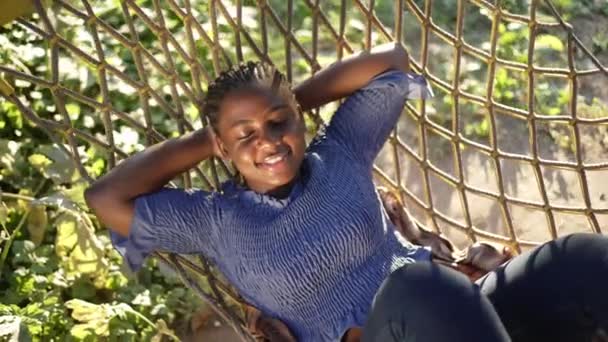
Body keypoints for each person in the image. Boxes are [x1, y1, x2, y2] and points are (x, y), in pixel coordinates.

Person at [85, 43, 608, 342]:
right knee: (422, 289)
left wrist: (289, 99)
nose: (268, 142)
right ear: (222, 148)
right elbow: (106, 198)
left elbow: (390, 59)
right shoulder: (212, 219)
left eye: (278, 121)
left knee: (576, 260)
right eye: (245, 136)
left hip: (458, 319)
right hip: (395, 323)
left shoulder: (338, 151)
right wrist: (211, 138)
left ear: (297, 116)